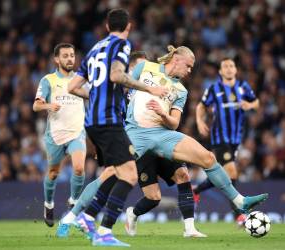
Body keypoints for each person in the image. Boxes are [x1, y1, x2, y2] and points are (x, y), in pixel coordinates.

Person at [56, 9, 167, 247]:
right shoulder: (122, 45)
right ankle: (103, 231)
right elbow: (117, 76)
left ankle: (86, 217)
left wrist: (95, 96)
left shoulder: (95, 49)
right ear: (128, 26)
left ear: (107, 26)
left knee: (117, 171)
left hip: (93, 121)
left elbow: (73, 87)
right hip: (108, 120)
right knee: (129, 175)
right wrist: (150, 89)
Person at [125, 45, 268, 222]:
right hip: (137, 135)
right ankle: (84, 211)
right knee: (123, 180)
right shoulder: (145, 69)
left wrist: (163, 114)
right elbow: (122, 90)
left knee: (207, 159)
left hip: (162, 135)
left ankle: (239, 201)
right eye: (189, 66)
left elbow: (175, 123)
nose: (190, 70)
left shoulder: (181, 90)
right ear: (177, 60)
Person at [74, 51, 205, 239]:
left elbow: (173, 119)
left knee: (183, 175)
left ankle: (190, 228)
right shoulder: (124, 97)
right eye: (138, 69)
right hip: (140, 145)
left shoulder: (169, 87)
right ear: (133, 70)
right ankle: (124, 214)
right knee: (153, 197)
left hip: (162, 140)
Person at [194, 58, 260, 225]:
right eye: (225, 66)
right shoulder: (214, 89)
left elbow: (257, 102)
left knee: (223, 174)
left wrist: (249, 105)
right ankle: (239, 214)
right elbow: (201, 106)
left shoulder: (243, 87)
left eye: (232, 66)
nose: (229, 69)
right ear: (221, 71)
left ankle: (196, 189)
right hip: (219, 138)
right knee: (231, 172)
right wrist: (200, 121)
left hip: (235, 139)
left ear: (236, 70)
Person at [33, 43, 88, 227]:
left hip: (77, 132)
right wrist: (49, 105)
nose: (70, 59)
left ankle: (73, 203)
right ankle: (48, 204)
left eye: (72, 55)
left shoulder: (82, 79)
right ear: (57, 59)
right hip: (55, 134)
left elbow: (93, 98)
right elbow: (36, 105)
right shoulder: (48, 80)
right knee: (53, 173)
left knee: (79, 168)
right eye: (65, 56)